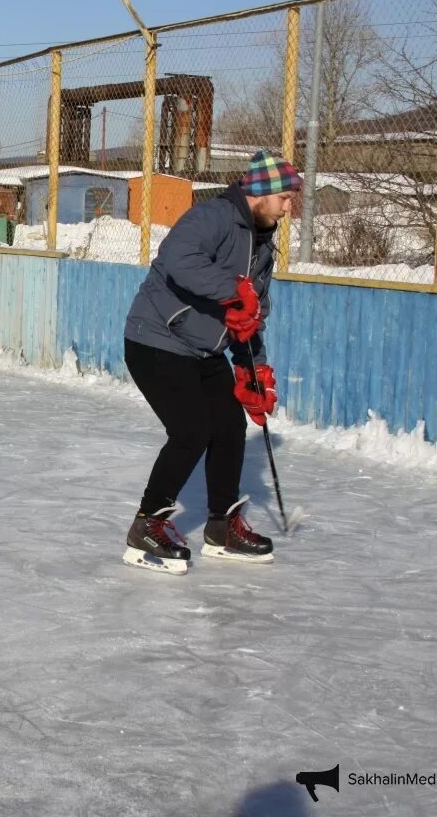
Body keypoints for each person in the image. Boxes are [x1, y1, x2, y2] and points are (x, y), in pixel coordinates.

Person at [121, 149, 301, 575]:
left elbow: (249, 313)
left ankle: (222, 527)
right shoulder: (214, 218)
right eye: (286, 198)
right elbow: (178, 260)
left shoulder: (262, 247)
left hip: (204, 348)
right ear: (262, 193)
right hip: (157, 339)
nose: (290, 207)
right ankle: (146, 525)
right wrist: (233, 290)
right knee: (191, 431)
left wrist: (253, 370)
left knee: (229, 426)